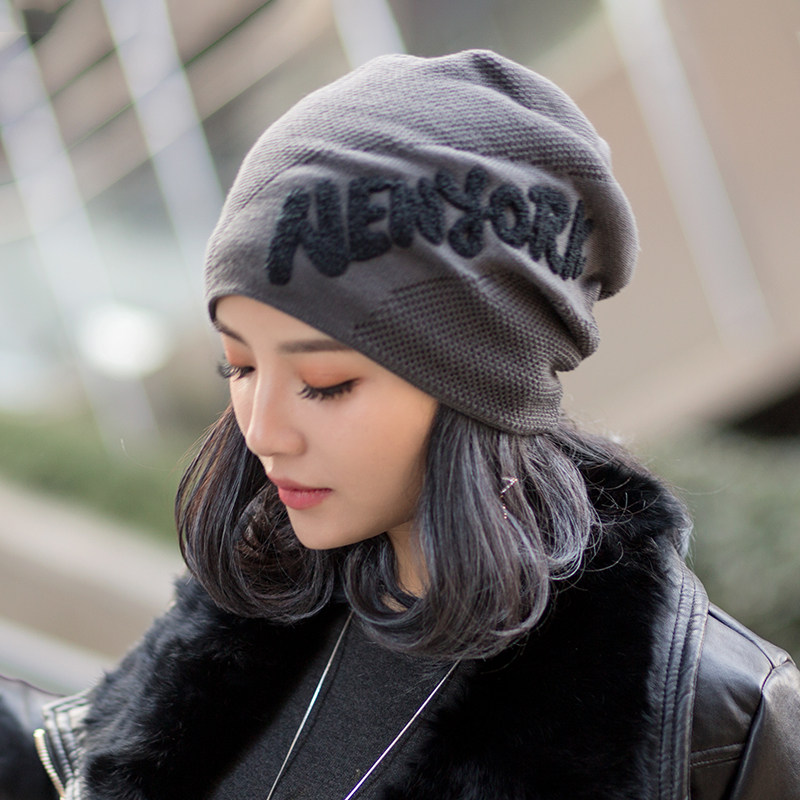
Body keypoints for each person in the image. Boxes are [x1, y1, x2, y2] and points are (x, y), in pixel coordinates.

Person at [2, 49, 799, 800]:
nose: (263, 431)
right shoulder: (259, 613)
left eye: (325, 384)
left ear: (477, 384)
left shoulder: (717, 718)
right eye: (238, 367)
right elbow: (72, 752)